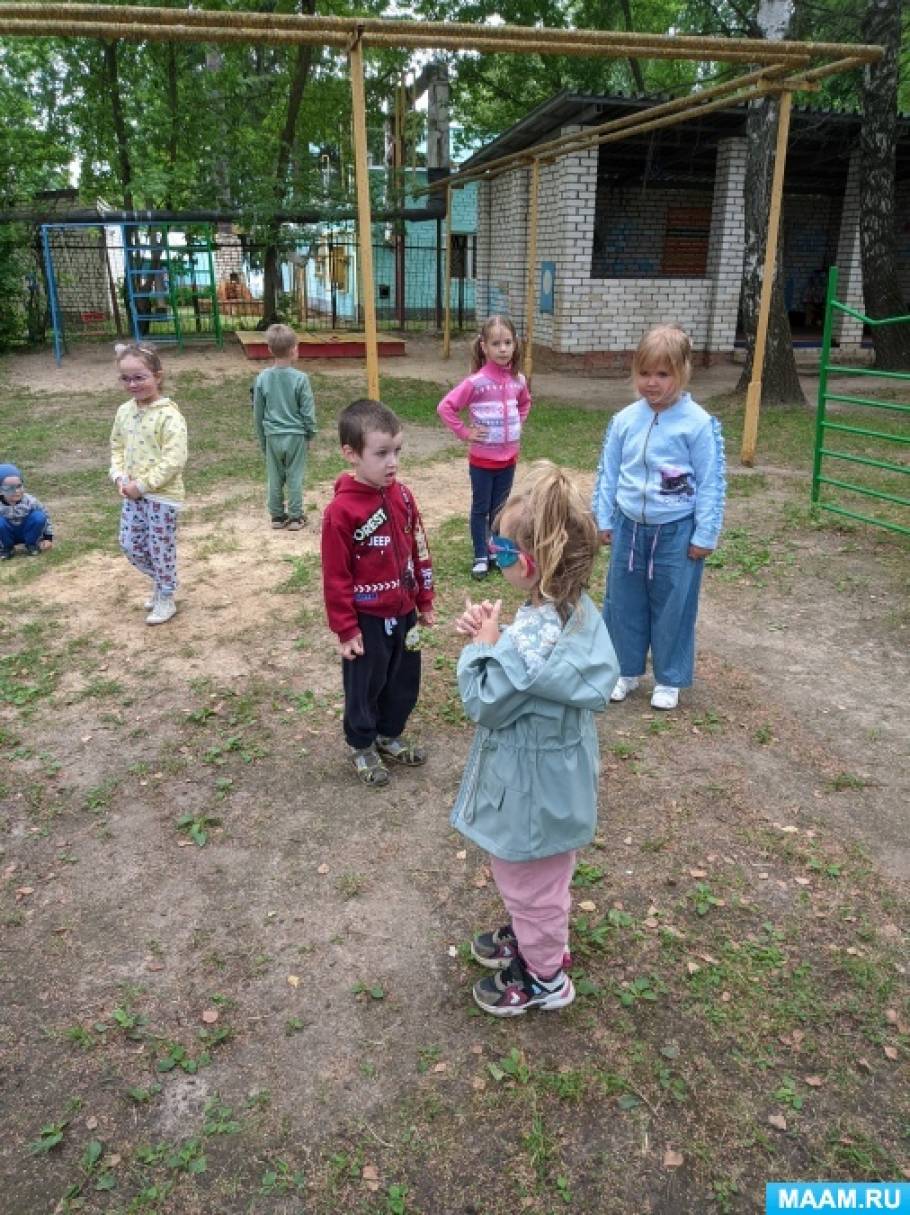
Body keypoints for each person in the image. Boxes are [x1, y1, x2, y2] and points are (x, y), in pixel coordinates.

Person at [451, 461, 619, 1016]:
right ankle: (533, 936)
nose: (496, 560)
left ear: (532, 564)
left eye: (501, 553)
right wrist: (495, 635)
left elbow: (485, 702)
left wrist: (482, 645)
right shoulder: (561, 613)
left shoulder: (529, 642)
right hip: (551, 786)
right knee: (538, 877)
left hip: (534, 795)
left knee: (531, 883)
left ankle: (545, 976)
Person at [592, 323, 726, 711]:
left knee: (674, 604)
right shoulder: (624, 420)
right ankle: (625, 669)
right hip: (628, 529)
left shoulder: (697, 423)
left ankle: (669, 677)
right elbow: (609, 472)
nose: (652, 383)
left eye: (663, 374)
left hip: (677, 532)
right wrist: (603, 518)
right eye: (644, 373)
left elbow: (711, 482)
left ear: (682, 372)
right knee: (622, 601)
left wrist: (706, 533)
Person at [321, 399, 435, 788]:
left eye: (397, 451)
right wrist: (346, 629)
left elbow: (418, 546)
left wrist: (424, 599)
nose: (393, 463)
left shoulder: (402, 497)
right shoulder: (341, 512)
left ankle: (389, 733)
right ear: (351, 454)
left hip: (403, 612)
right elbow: (335, 575)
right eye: (382, 453)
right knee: (364, 685)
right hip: (366, 620)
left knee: (404, 680)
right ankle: (363, 744)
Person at [437, 314, 531, 580]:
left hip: (508, 460)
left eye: (507, 342)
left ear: (515, 345)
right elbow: (446, 407)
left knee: (500, 510)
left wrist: (516, 425)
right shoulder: (476, 382)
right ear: (484, 347)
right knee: (481, 508)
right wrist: (465, 433)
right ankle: (481, 554)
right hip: (482, 462)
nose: (502, 349)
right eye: (496, 344)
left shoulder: (518, 381)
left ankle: (498, 552)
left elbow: (524, 403)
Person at [109, 342, 188, 625]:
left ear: (157, 376)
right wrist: (119, 476)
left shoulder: (170, 417)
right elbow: (116, 446)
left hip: (161, 497)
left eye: (139, 376)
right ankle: (162, 582)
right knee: (130, 544)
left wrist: (142, 485)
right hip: (132, 495)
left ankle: (166, 596)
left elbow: (174, 460)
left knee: (159, 548)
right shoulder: (124, 411)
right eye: (126, 378)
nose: (133, 384)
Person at [252, 323, 316, 530]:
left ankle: (277, 516)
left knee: (274, 476)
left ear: (269, 349)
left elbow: (258, 413)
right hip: (296, 435)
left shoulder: (262, 378)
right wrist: (310, 433)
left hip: (272, 435)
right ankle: (296, 517)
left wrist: (263, 440)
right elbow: (307, 410)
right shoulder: (301, 379)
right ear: (293, 350)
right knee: (295, 476)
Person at [0, 463, 54, 559]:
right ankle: (7, 548)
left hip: (26, 531)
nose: (16, 491)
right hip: (7, 533)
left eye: (19, 486)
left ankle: (31, 544)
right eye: (10, 488)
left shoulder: (30, 501)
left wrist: (48, 538)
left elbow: (46, 516)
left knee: (39, 516)